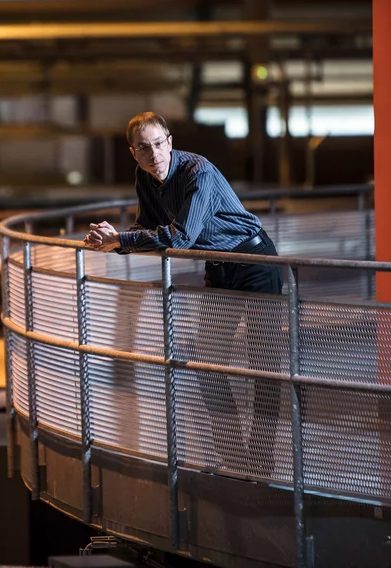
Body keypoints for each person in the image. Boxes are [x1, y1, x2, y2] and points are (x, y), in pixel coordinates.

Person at [83, 111, 284, 477]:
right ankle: (236, 459)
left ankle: (262, 464)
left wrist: (119, 243)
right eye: (144, 148)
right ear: (134, 153)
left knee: (264, 366)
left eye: (159, 144)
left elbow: (179, 237)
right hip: (219, 267)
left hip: (255, 262)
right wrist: (115, 237)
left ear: (170, 142)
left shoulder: (197, 171)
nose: (154, 154)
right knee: (206, 359)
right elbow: (147, 226)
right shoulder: (145, 177)